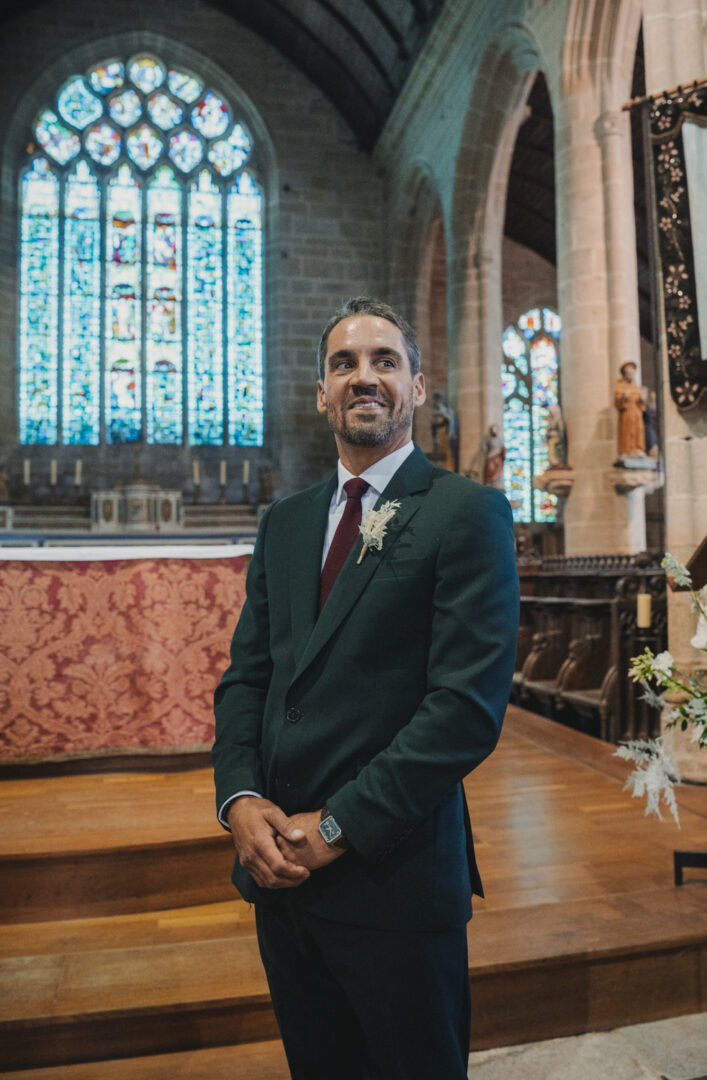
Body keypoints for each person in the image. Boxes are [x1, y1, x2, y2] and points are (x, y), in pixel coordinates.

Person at [213, 297, 519, 1080]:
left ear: (417, 387)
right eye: (344, 364)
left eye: (385, 360)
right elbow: (248, 677)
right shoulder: (284, 522)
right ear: (321, 393)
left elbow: (464, 712)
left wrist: (338, 826)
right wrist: (240, 801)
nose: (365, 377)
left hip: (392, 875)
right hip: (280, 874)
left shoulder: (465, 512)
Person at [614, 361, 647, 460]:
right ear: (624, 374)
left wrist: (642, 399)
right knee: (626, 431)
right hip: (626, 413)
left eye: (632, 372)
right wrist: (624, 397)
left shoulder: (635, 386)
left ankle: (638, 449)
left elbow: (642, 405)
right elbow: (617, 402)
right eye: (628, 373)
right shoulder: (620, 385)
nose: (631, 375)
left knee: (638, 431)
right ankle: (626, 450)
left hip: (636, 413)